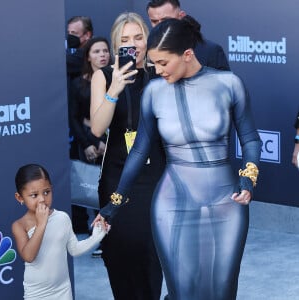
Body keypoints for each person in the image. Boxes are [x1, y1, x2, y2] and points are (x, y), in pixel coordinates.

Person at [96, 16, 261, 300]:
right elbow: (139, 151)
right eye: (154, 63)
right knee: (182, 291)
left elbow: (250, 139)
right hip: (172, 203)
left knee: (222, 291)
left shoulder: (228, 84)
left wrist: (248, 178)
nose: (157, 70)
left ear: (187, 55)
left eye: (163, 63)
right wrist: (114, 203)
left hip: (226, 203)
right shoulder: (154, 92)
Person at [90, 12, 164, 300]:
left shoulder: (160, 74)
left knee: (151, 257)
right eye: (125, 40)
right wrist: (115, 88)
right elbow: (97, 127)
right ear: (116, 45)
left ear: (148, 40)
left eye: (138, 37)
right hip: (117, 178)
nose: (133, 44)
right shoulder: (104, 75)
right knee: (121, 256)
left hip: (157, 179)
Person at [11, 164, 107, 300]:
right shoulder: (19, 225)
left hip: (62, 290)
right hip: (36, 294)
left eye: (46, 192)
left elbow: (74, 250)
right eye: (34, 195)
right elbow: (29, 256)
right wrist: (41, 224)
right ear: (20, 198)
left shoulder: (62, 218)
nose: (42, 199)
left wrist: (98, 235)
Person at [69, 36, 112, 257]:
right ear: (88, 56)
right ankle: (100, 238)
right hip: (89, 144)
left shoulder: (118, 78)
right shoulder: (78, 84)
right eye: (96, 51)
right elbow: (75, 119)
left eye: (105, 51)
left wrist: (108, 142)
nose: (102, 55)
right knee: (96, 190)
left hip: (114, 143)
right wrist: (91, 143)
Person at [66, 16, 94, 234]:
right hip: (80, 135)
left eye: (74, 34)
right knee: (81, 179)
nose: (69, 38)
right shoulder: (76, 79)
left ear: (87, 36)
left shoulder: (82, 61)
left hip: (104, 137)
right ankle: (80, 226)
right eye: (68, 33)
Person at [146, 0, 230, 71]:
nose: (160, 25)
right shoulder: (147, 53)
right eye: (155, 21)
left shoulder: (211, 51)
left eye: (166, 20)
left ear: (181, 16)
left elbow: (225, 87)